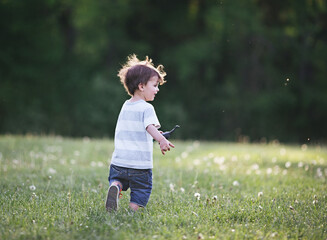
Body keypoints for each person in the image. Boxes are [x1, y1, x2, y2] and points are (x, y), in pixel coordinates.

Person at [106, 54, 175, 212]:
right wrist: (161, 140)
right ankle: (132, 211)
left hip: (119, 163)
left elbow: (138, 129)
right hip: (140, 165)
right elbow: (149, 127)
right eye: (155, 85)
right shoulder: (147, 108)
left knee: (118, 180)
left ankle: (116, 186)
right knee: (141, 190)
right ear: (142, 86)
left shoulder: (125, 106)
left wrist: (157, 134)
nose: (157, 89)